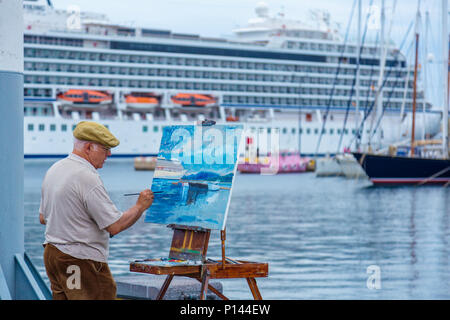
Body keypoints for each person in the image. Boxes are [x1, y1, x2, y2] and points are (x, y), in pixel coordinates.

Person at [39, 121, 154, 300]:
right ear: (88, 147)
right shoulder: (86, 176)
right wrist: (140, 206)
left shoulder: (55, 169)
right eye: (105, 148)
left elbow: (43, 217)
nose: (109, 154)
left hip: (53, 255)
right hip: (79, 260)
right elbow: (115, 226)